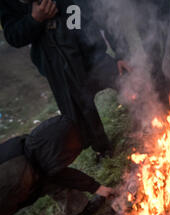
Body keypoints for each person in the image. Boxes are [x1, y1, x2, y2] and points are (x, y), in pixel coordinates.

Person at [0, 0, 130, 157]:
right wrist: (34, 19)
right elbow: (14, 36)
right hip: (59, 68)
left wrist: (122, 53)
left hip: (92, 55)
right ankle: (103, 151)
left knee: (130, 81)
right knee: (82, 115)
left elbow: (104, 12)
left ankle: (149, 119)